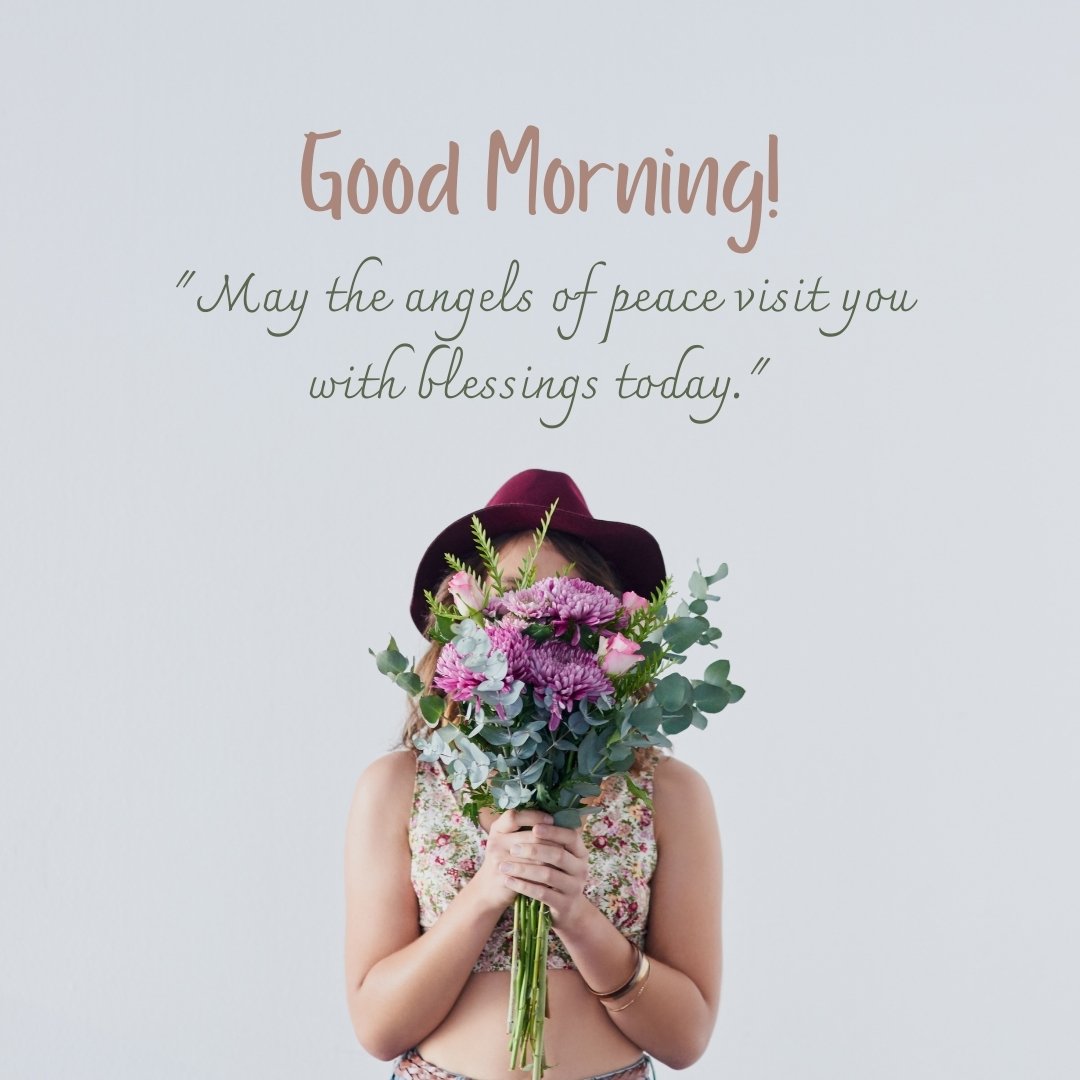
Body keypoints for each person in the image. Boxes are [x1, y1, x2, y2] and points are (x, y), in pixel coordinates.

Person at [345, 470, 723, 1080]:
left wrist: (577, 914)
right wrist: (489, 890)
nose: (539, 621)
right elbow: (377, 1028)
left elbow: (686, 1038)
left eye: (564, 599)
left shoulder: (671, 794)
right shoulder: (397, 787)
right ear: (461, 622)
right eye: (515, 596)